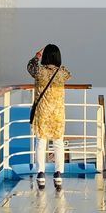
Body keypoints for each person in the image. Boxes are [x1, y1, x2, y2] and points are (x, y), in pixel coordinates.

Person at [27, 44, 71, 188]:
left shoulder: (40, 72)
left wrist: (37, 56)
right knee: (58, 142)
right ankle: (58, 173)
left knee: (41, 142)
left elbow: (30, 66)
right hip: (57, 113)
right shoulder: (62, 73)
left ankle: (41, 173)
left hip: (43, 112)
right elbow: (68, 75)